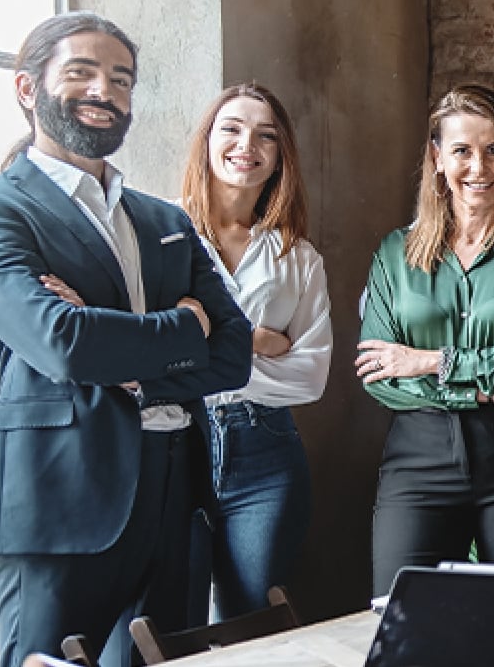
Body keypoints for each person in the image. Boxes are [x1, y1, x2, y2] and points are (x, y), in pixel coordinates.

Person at [0, 13, 255, 667]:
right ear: (28, 90)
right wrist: (186, 326)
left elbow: (234, 353)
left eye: (121, 80)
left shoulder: (164, 221)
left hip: (177, 495)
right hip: (63, 499)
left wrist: (134, 364)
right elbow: (64, 344)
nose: (105, 91)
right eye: (81, 73)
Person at [360, 84, 494, 593]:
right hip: (419, 457)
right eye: (462, 150)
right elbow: (377, 373)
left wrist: (428, 360)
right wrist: (484, 382)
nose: (478, 168)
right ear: (438, 159)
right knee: (401, 615)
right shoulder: (394, 254)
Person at [166, 84, 332, 622]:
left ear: (281, 155)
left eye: (266, 135)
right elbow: (150, 352)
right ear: (207, 141)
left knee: (250, 620)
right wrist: (256, 342)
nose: (247, 145)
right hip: (175, 442)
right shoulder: (161, 236)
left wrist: (206, 348)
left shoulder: (298, 257)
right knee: (175, 619)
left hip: (267, 453)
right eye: (231, 129)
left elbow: (309, 377)